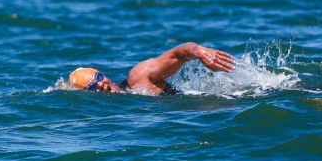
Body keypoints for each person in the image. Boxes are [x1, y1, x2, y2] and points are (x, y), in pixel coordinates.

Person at [68, 42, 235, 95]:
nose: (100, 85)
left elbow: (178, 54)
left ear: (103, 74)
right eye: (91, 86)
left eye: (98, 78)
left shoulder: (137, 78)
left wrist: (199, 52)